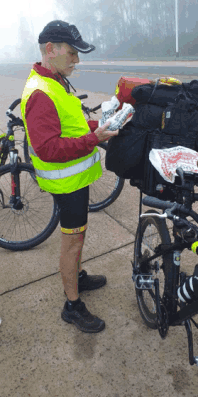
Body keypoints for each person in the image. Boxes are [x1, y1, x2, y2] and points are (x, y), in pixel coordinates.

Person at [20, 20, 119, 333]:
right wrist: (94, 140)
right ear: (52, 50)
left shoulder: (55, 81)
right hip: (65, 183)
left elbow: (70, 125)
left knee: (79, 235)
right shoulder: (40, 92)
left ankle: (77, 278)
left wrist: (95, 129)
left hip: (75, 180)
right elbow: (48, 148)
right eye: (73, 53)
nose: (77, 60)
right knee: (72, 242)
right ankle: (72, 305)